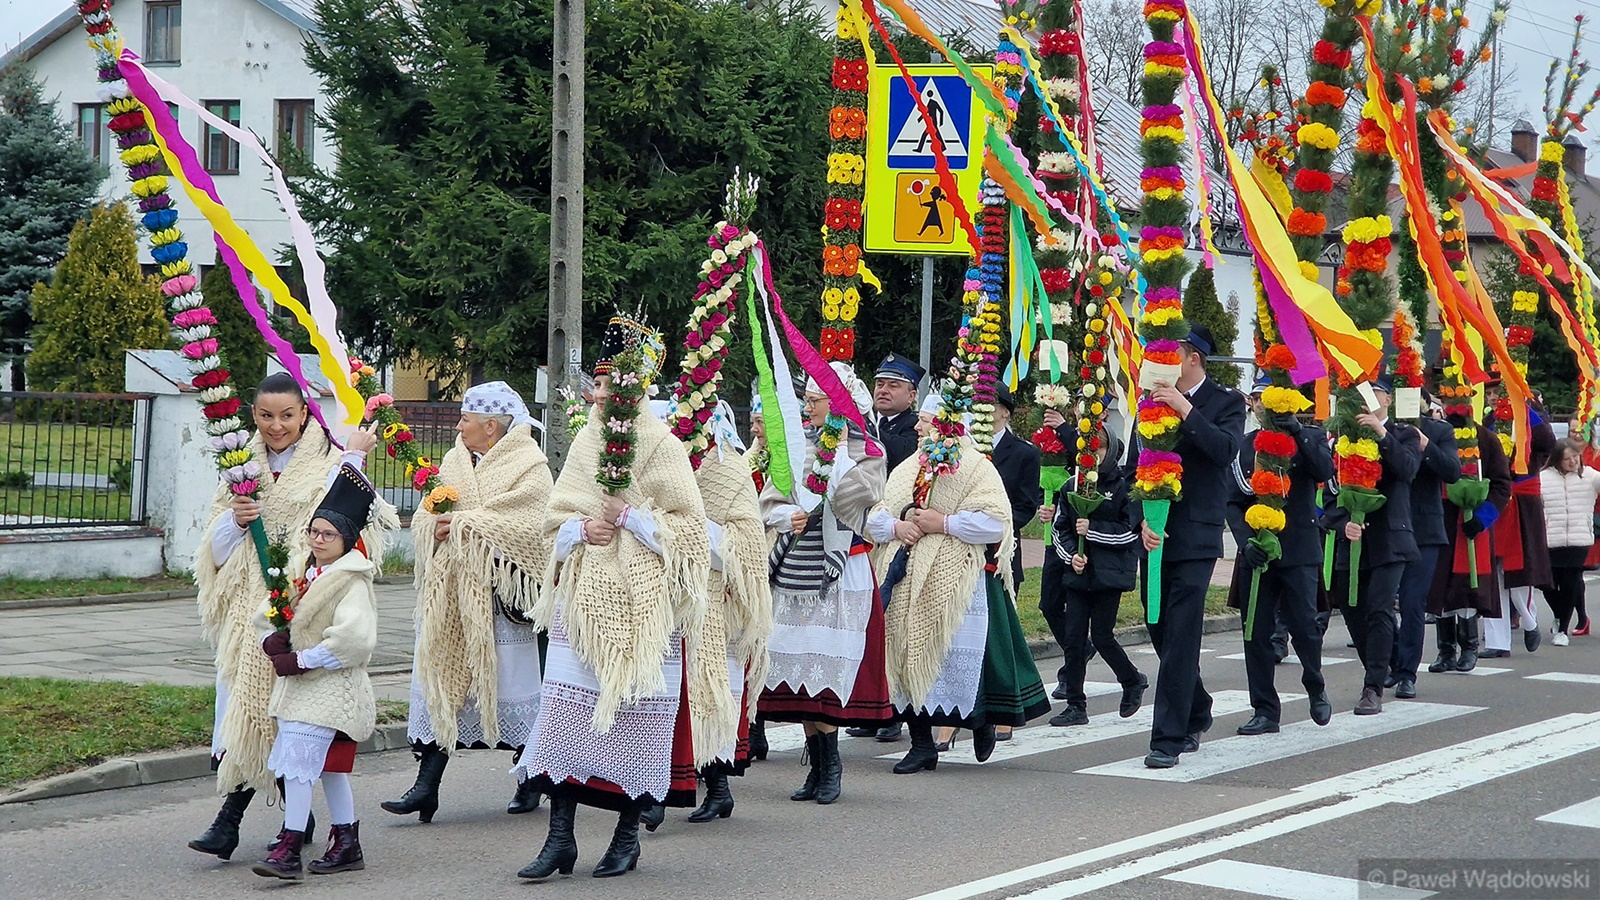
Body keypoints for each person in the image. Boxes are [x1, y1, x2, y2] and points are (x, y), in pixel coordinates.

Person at [515, 316, 720, 880]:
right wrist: (582, 528)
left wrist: (630, 517)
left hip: (647, 611)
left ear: (635, 388)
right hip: (582, 604)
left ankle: (627, 837)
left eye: (607, 385)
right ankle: (560, 838)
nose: (598, 394)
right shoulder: (586, 440)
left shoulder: (665, 447)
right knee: (562, 723)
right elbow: (552, 520)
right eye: (597, 385)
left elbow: (691, 533)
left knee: (636, 725)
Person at [188, 373, 383, 861]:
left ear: (304, 414)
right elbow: (213, 550)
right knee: (249, 708)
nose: (276, 426)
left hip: (303, 603)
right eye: (266, 416)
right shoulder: (240, 467)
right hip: (247, 611)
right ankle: (279, 821)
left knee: (285, 715)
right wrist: (235, 520)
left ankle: (240, 823)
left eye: (287, 415)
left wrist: (353, 459)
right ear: (253, 416)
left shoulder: (329, 460)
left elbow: (348, 523)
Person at [384, 382, 553, 824]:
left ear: (491, 426)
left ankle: (530, 778)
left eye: (465, 419)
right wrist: (436, 527)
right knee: (442, 682)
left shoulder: (530, 466)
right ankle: (426, 787)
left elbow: (530, 526)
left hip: (501, 603)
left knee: (513, 689)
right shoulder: (453, 460)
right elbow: (427, 515)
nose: (458, 426)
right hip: (451, 598)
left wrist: (460, 524)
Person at [868, 408, 1051, 773]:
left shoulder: (976, 467)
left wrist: (945, 523)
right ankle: (922, 744)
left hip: (956, 581)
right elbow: (877, 514)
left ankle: (980, 719)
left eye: (925, 420)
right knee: (904, 654)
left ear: (946, 425)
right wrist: (896, 527)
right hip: (905, 580)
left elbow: (996, 523)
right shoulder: (907, 468)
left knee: (953, 659)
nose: (917, 426)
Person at [759, 361, 893, 801]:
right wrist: (788, 514)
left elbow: (861, 498)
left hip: (840, 568)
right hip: (797, 567)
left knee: (827, 669)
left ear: (837, 404)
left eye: (815, 400)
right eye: (808, 399)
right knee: (800, 670)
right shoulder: (797, 444)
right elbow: (771, 499)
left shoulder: (867, 449)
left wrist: (833, 462)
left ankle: (831, 764)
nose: (807, 407)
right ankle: (816, 764)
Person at [251, 464, 382, 880]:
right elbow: (269, 612)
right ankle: (347, 842)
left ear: (347, 541)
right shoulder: (303, 573)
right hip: (303, 688)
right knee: (327, 768)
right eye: (314, 531)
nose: (318, 540)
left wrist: (302, 660)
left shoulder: (351, 581)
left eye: (328, 535)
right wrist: (271, 639)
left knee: (297, 763)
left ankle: (290, 848)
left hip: (332, 687)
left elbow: (354, 639)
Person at [647, 400, 773, 827]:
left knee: (707, 697)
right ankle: (669, 787)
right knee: (670, 697)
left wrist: (688, 533)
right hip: (669, 596)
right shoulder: (667, 465)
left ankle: (712, 789)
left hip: (716, 601)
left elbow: (746, 543)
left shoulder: (731, 470)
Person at [1139, 325, 1246, 769]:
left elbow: (1224, 451)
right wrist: (1141, 518)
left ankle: (1168, 738)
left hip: (1197, 535)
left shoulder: (1226, 401)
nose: (1160, 363)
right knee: (1159, 628)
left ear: (1192, 359)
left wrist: (1184, 408)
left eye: (1171, 354)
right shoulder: (1148, 402)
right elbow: (1138, 467)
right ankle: (1197, 707)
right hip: (1155, 533)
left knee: (1182, 635)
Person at [1226, 376, 1335, 733]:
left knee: (1304, 627)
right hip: (1257, 551)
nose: (1261, 405)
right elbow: (1233, 500)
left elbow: (1323, 470)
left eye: (1267, 398)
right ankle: (1264, 709)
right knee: (1255, 633)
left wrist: (1297, 433)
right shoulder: (1245, 445)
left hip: (1298, 548)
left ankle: (1315, 685)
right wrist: (1245, 542)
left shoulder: (1311, 436)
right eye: (1256, 398)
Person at [1325, 377, 1421, 716]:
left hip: (1390, 538)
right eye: (1361, 394)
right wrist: (1342, 523)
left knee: (1380, 608)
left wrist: (1381, 434)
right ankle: (1385, 662)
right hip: (1353, 540)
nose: (1366, 399)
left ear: (1387, 400)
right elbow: (1330, 496)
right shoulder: (1343, 442)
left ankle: (1372, 686)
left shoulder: (1404, 434)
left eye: (1374, 393)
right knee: (1352, 610)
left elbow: (1407, 469)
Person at [848, 352, 924, 742]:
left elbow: (890, 454)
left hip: (896, 536)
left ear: (912, 395)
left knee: (890, 626)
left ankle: (893, 711)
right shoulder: (869, 425)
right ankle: (871, 707)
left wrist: (860, 424)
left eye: (894, 385)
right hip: (862, 531)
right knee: (864, 623)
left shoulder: (914, 431)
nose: (883, 390)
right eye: (879, 383)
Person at [1049, 426, 1147, 727]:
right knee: (1074, 639)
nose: (1092, 455)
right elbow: (1060, 528)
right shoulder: (1072, 485)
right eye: (1086, 450)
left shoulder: (1123, 486)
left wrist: (1092, 531)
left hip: (1110, 573)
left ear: (1110, 450)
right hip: (1079, 573)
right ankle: (1075, 705)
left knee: (1103, 636)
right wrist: (1071, 556)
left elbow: (1130, 532)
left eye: (1099, 449)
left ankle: (1131, 680)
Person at [1386, 394, 1459, 699]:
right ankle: (1392, 660)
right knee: (1379, 604)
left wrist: (1425, 444)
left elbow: (1452, 471)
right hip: (1388, 527)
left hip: (1424, 530)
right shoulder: (1383, 429)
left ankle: (1407, 673)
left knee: (1413, 603)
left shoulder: (1439, 430)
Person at [1427, 417, 1512, 673]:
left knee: (1466, 587)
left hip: (1470, 521)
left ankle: (1469, 646)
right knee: (1439, 585)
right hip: (1438, 518)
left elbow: (1501, 485)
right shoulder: (1433, 433)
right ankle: (1445, 650)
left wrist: (1483, 517)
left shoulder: (1486, 438)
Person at [1482, 392, 1555, 657]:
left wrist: (1522, 406)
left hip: (1523, 502)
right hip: (1495, 497)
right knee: (1492, 572)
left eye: (1497, 392)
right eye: (1490, 393)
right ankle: (1497, 641)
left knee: (1519, 569)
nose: (1493, 397)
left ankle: (1528, 619)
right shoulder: (1489, 421)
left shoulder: (1530, 416)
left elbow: (1547, 442)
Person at [1539, 439, 1600, 644]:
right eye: (1567, 459)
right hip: (1551, 539)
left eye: (1575, 457)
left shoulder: (1589, 475)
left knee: (1570, 584)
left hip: (1578, 539)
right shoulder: (1543, 478)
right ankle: (1559, 614)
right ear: (1557, 460)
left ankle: (1562, 631)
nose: (1573, 462)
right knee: (1547, 584)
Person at [990, 384, 1043, 589]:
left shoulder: (1025, 453)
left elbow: (1025, 506)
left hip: (1002, 549)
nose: (983, 408)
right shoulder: (965, 448)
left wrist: (990, 526)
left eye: (991, 403)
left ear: (1005, 412)